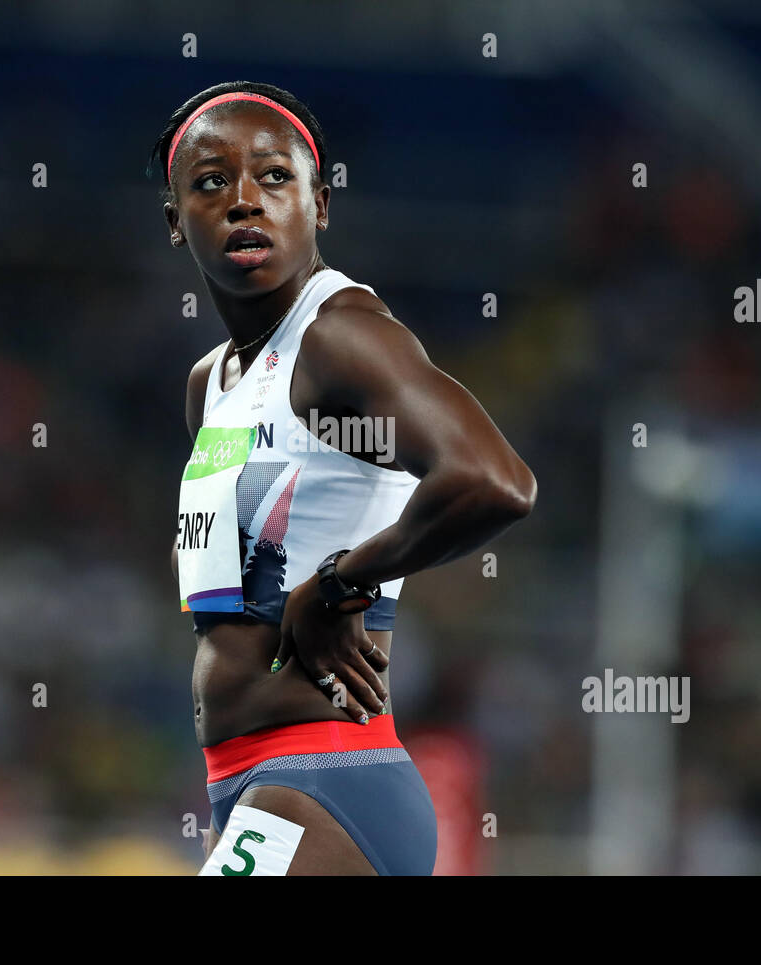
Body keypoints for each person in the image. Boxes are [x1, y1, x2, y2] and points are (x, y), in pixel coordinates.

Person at [150, 81, 536, 875]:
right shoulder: (211, 383)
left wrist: (339, 583)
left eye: (275, 177)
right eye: (212, 181)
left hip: (324, 781)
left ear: (320, 205)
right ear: (174, 218)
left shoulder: (340, 335)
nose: (245, 201)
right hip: (242, 780)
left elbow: (495, 479)